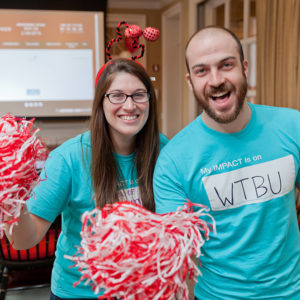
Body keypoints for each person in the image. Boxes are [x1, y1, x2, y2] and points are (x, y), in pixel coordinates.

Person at [153, 26, 300, 300]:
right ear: (190, 81)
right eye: (202, 71)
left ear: (244, 68)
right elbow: (174, 252)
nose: (216, 79)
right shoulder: (173, 161)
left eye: (226, 65)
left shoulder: (293, 126)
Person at [5, 58, 168, 299]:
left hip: (143, 290)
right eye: (117, 95)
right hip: (80, 292)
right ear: (101, 102)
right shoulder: (68, 159)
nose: (130, 105)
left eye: (139, 95)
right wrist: (11, 197)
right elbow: (23, 241)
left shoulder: (162, 149)